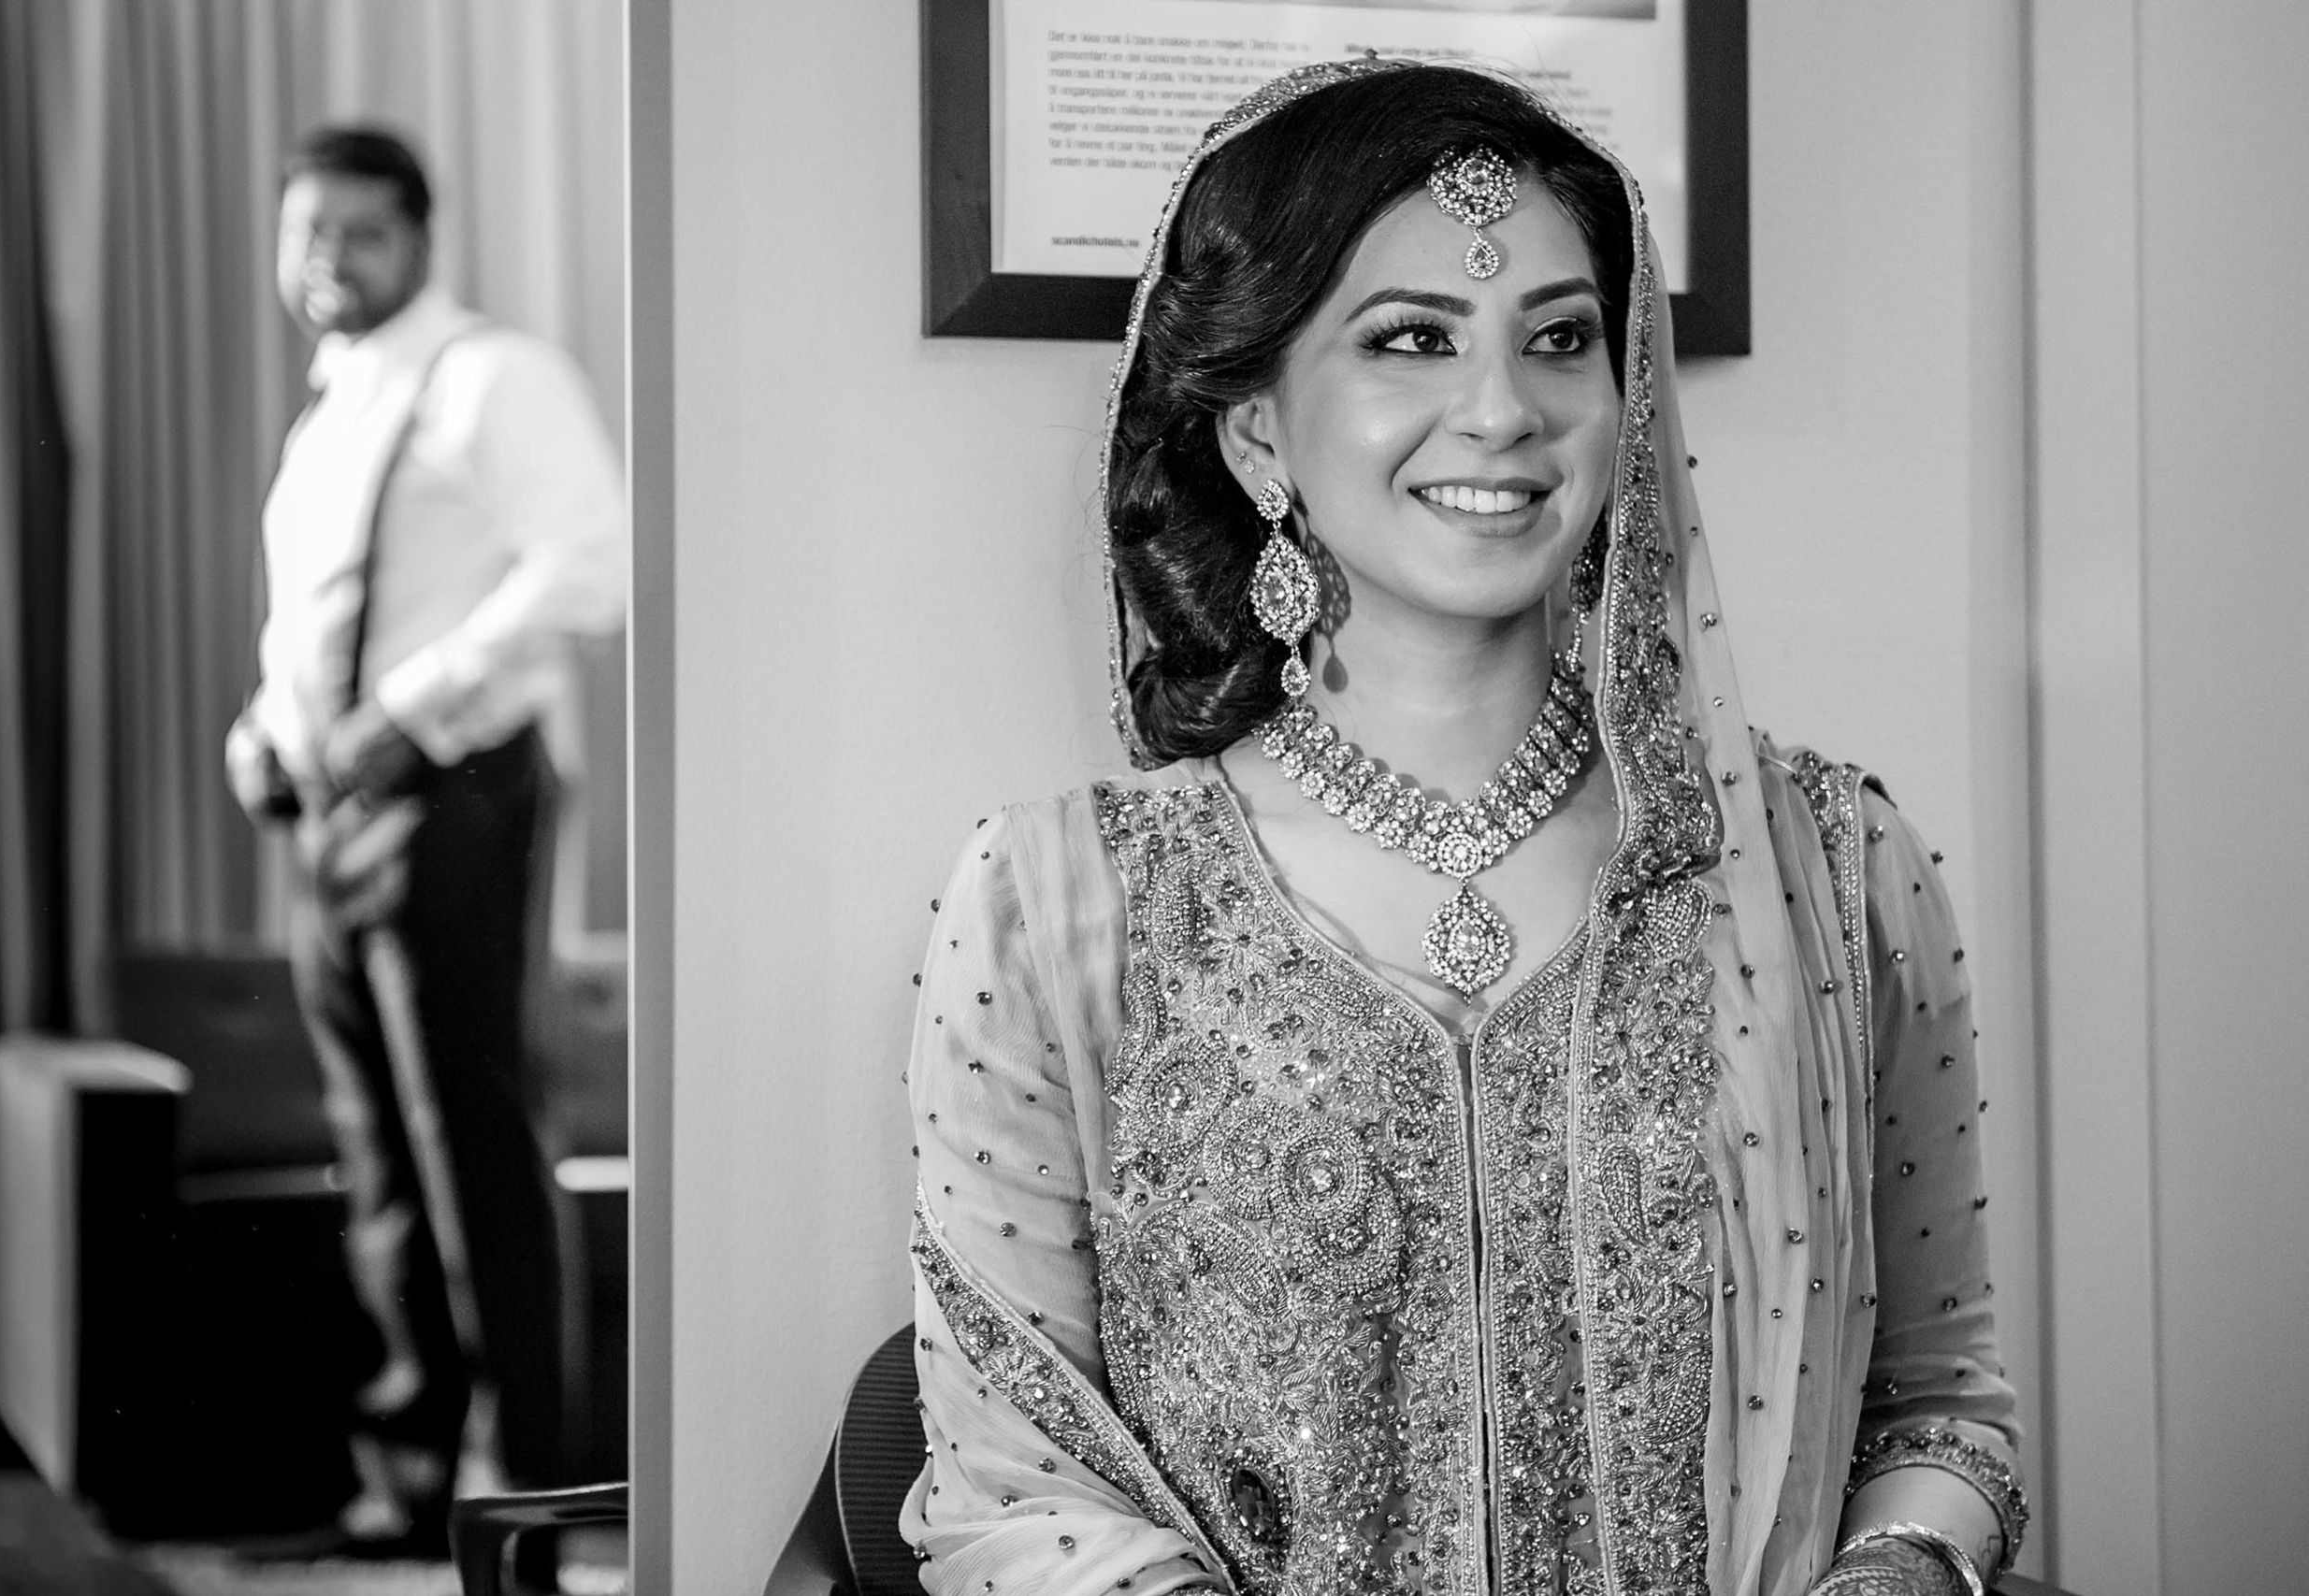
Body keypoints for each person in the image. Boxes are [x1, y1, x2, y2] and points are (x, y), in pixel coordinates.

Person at [902, 61, 2023, 1596]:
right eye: (1412, 339)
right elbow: (1011, 1489)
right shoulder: (1060, 905)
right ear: (1257, 434)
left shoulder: (1828, 871)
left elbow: (1943, 1406)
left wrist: (1895, 1572)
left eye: (1560, 339)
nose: (1503, 411)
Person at [224, 123, 628, 1554]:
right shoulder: (329, 414)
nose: (329, 258)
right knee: (379, 1161)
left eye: (360, 231)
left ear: (417, 237)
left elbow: (591, 564)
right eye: (308, 231)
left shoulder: (492, 377)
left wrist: (409, 710)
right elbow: (316, 620)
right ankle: (401, 1492)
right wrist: (262, 731)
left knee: (473, 1154)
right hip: (333, 821)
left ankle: (515, 1510)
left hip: (455, 802)